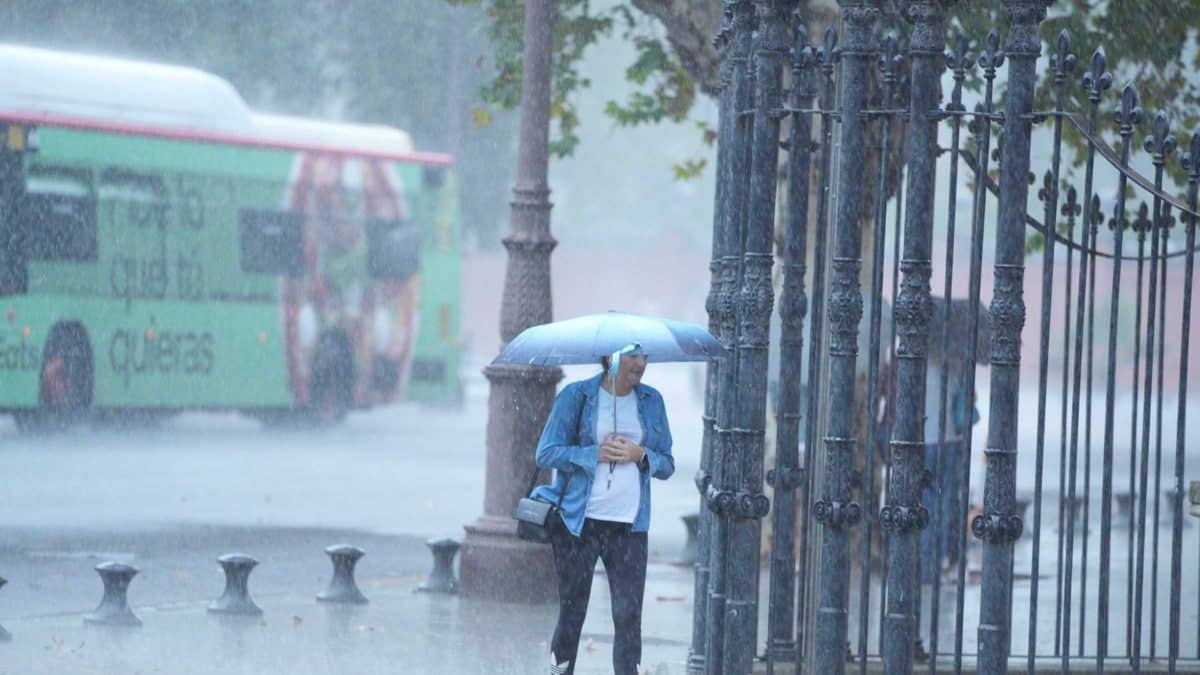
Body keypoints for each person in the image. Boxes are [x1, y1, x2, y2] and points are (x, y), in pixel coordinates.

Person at [530, 343, 675, 675]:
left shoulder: (652, 402)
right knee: (572, 612)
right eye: (633, 355)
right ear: (611, 358)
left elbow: (667, 464)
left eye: (645, 356)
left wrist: (640, 454)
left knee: (628, 617)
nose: (641, 363)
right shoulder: (577, 396)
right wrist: (591, 453)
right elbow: (546, 453)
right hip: (579, 524)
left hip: (629, 528)